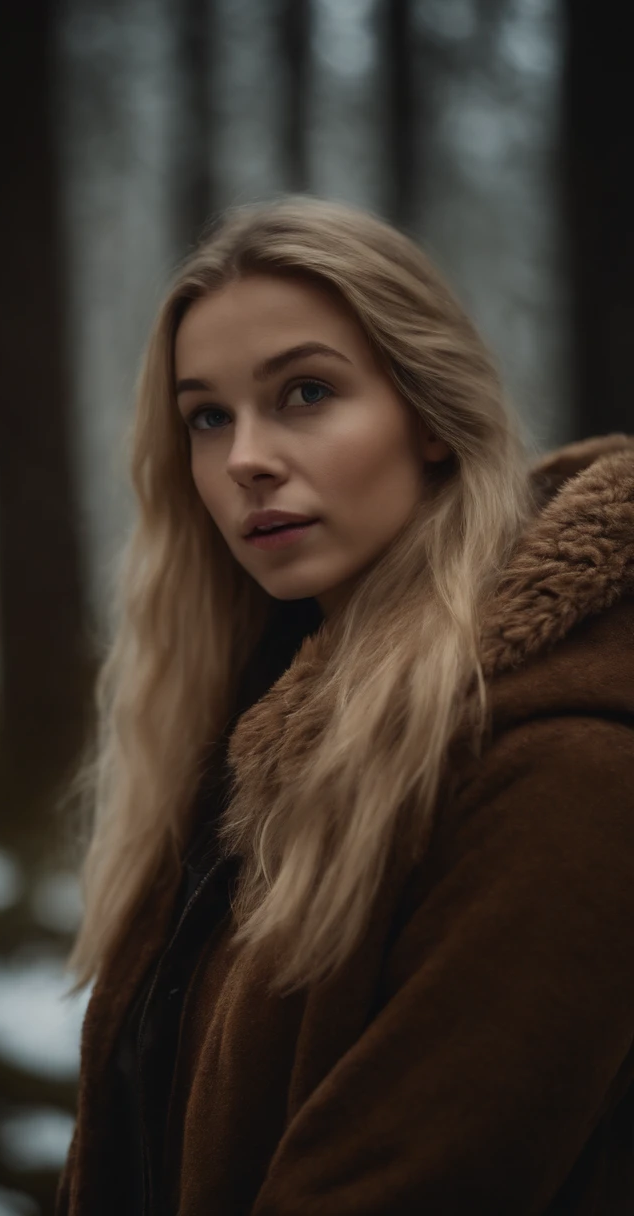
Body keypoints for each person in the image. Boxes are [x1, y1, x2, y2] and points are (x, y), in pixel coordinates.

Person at [56, 197, 634, 1216]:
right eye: (207, 416)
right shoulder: (247, 734)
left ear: (431, 417)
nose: (243, 459)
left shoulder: (563, 772)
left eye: (305, 392)